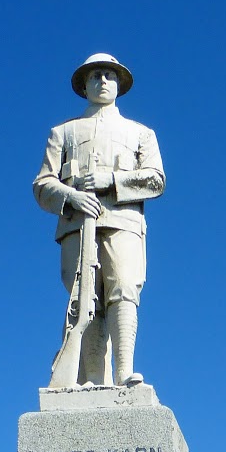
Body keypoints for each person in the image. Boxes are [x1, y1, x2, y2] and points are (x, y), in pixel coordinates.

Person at [34, 53, 165, 387]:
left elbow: (156, 180)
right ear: (84, 86)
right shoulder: (63, 133)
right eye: (95, 76)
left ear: (119, 84)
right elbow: (43, 185)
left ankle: (124, 373)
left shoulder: (141, 133)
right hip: (77, 225)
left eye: (109, 75)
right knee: (84, 298)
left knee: (124, 288)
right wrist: (71, 196)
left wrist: (112, 181)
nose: (103, 81)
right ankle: (92, 378)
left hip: (124, 222)